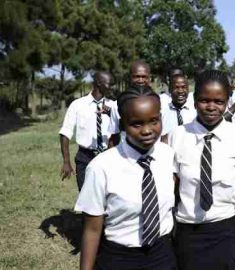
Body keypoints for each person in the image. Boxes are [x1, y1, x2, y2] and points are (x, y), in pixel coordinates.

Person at [169, 70, 235, 270]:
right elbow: (170, 191)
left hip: (226, 233)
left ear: (227, 101)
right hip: (189, 234)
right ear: (195, 100)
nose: (212, 107)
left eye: (219, 101)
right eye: (205, 100)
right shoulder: (177, 136)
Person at [75, 86, 177, 270]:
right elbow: (92, 230)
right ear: (122, 125)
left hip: (162, 254)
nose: (147, 130)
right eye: (136, 123)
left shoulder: (169, 157)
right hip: (119, 257)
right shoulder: (101, 167)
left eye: (154, 121)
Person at [59, 71, 115, 191]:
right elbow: (65, 133)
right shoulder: (78, 105)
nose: (111, 87)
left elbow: (124, 128)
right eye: (109, 84)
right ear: (99, 83)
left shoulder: (113, 106)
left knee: (106, 199)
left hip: (107, 158)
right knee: (86, 199)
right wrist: (66, 162)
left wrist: (111, 113)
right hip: (85, 158)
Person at [108, 60, 153, 146]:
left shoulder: (159, 102)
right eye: (137, 76)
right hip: (126, 156)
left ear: (149, 78)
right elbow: (114, 136)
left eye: (144, 77)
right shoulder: (117, 104)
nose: (140, 80)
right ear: (130, 78)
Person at [160, 74, 196, 141]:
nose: (180, 91)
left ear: (188, 89)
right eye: (176, 87)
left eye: (183, 87)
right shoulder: (162, 112)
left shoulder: (195, 111)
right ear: (170, 90)